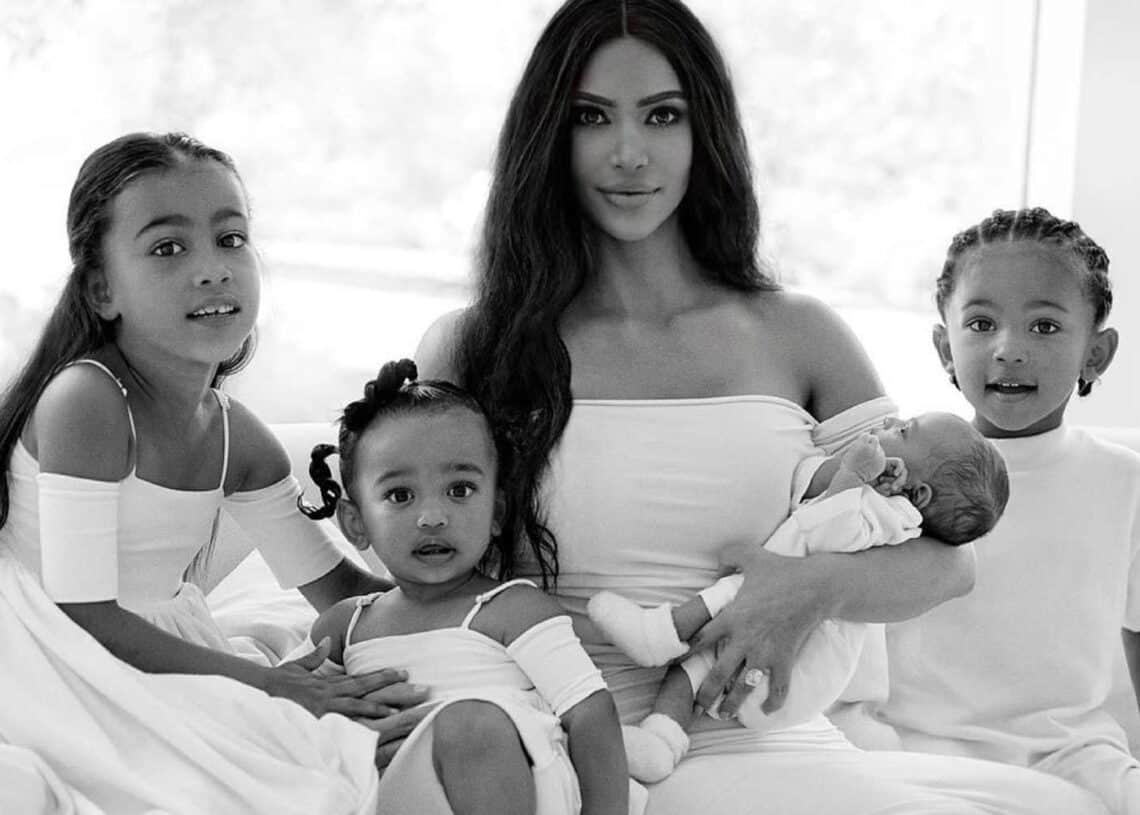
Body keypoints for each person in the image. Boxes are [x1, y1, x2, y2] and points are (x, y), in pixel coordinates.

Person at [414, 1, 1110, 811]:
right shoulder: (472, 346)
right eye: (590, 116)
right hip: (560, 750)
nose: (629, 153)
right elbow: (409, 571)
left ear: (705, 131)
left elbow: (948, 563)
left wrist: (809, 587)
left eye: (663, 115)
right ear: (547, 135)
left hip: (766, 745)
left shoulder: (799, 333)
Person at [0, 131, 429, 813]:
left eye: (231, 239)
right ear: (102, 288)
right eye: (168, 248)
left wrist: (467, 609)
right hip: (49, 653)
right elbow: (84, 613)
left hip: (154, 643)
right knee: (289, 769)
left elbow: (340, 590)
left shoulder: (238, 438)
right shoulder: (87, 400)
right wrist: (275, 686)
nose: (212, 269)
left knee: (364, 727)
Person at [873, 207, 1140, 815]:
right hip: (918, 751)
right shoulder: (898, 470)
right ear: (945, 347)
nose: (1008, 350)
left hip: (1072, 755)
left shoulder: (1125, 483)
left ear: (1096, 354)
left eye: (1044, 326)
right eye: (981, 323)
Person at [588, 412, 1008, 782]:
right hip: (775, 662)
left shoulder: (892, 518)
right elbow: (806, 481)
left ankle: (660, 633)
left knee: (739, 594)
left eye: (903, 431)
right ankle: (661, 741)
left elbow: (829, 534)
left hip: (797, 661)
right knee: (690, 674)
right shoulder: (881, 502)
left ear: (917, 493)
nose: (887, 423)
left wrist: (852, 476)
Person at [298, 358, 639, 815]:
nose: (433, 517)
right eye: (400, 495)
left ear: (496, 513)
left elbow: (591, 712)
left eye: (459, 490)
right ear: (356, 523)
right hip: (399, 795)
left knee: (470, 723)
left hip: (523, 790)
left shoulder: (512, 609)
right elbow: (277, 714)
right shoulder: (346, 626)